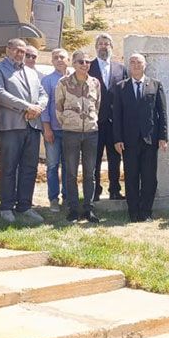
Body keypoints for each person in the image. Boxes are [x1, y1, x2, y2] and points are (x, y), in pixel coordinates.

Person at [0, 38, 45, 224]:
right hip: (11, 126)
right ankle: (6, 206)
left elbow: (43, 94)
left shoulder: (31, 72)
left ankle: (25, 206)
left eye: (24, 52)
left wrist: (38, 108)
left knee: (30, 168)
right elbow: (0, 94)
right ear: (8, 49)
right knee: (9, 167)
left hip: (32, 125)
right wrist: (26, 107)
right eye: (17, 50)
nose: (20, 54)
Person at [112, 53, 168, 222]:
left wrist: (163, 137)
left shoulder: (155, 85)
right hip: (128, 141)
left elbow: (162, 113)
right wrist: (117, 139)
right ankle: (133, 212)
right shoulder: (121, 87)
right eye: (133, 62)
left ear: (145, 65)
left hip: (150, 139)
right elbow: (117, 116)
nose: (136, 65)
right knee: (131, 177)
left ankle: (146, 211)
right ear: (129, 65)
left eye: (139, 62)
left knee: (149, 178)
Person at [56, 50, 101, 223]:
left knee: (90, 173)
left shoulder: (95, 83)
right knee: (71, 172)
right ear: (73, 63)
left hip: (90, 133)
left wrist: (90, 122)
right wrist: (69, 123)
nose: (85, 64)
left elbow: (97, 106)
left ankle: (88, 209)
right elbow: (58, 107)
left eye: (87, 62)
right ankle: (73, 208)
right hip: (71, 133)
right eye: (81, 61)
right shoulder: (64, 83)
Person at [88, 33, 126, 201]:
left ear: (111, 47)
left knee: (115, 158)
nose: (103, 46)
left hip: (115, 122)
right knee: (94, 158)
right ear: (96, 47)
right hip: (95, 121)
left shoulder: (120, 68)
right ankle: (95, 192)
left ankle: (115, 190)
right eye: (100, 44)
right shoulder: (89, 66)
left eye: (106, 44)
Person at [41, 48, 70, 212]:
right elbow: (44, 107)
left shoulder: (73, 79)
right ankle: (53, 199)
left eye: (62, 57)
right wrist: (47, 128)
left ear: (68, 59)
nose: (59, 60)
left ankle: (67, 197)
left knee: (69, 165)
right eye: (55, 57)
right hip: (53, 129)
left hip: (70, 131)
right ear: (52, 61)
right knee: (52, 165)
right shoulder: (47, 81)